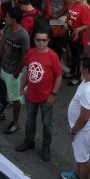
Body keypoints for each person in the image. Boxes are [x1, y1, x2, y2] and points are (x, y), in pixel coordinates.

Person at [16, 28, 63, 162]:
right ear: (34, 40)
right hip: (31, 95)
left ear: (48, 41)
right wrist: (22, 86)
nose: (40, 42)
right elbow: (28, 71)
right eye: (38, 40)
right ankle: (29, 141)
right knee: (30, 120)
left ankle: (46, 147)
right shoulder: (30, 53)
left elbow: (59, 76)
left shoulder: (53, 56)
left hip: (45, 98)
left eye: (43, 40)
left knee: (47, 124)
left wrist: (53, 94)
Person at [0, 9, 30, 132]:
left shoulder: (23, 35)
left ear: (14, 19)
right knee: (1, 93)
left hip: (13, 71)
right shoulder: (8, 29)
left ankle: (15, 122)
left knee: (15, 98)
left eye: (7, 17)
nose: (5, 19)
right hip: (3, 67)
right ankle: (1, 113)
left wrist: (17, 72)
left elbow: (25, 55)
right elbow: (2, 45)